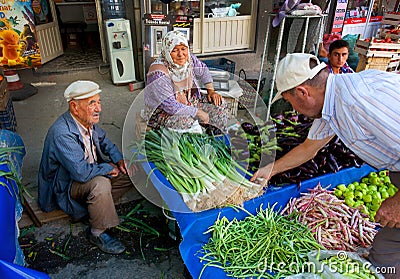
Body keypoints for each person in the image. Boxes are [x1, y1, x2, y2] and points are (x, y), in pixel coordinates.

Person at [250, 53, 400, 276]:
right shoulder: (333, 102)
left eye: (290, 102)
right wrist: (270, 170)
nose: (293, 110)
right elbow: (309, 147)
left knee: (388, 258)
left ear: (303, 92)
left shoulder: (356, 102)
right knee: (386, 251)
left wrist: (398, 202)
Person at [38, 80, 140, 255]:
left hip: (86, 176)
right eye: (92, 103)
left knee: (131, 171)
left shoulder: (85, 121)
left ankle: (96, 209)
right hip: (66, 186)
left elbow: (105, 141)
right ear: (74, 107)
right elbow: (81, 173)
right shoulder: (62, 132)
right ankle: (96, 232)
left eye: (98, 102)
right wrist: (106, 167)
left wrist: (119, 160)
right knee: (100, 184)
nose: (99, 108)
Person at [142, 30, 229, 133]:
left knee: (220, 104)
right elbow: (171, 106)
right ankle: (198, 140)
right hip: (164, 111)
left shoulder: (189, 60)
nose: (181, 54)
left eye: (183, 49)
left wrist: (211, 91)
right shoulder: (158, 73)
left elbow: (203, 71)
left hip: (190, 102)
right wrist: (199, 113)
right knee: (186, 121)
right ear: (167, 51)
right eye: (174, 50)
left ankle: (216, 138)